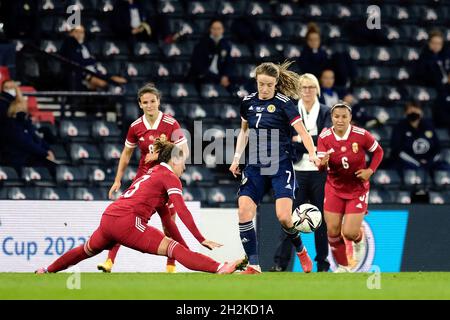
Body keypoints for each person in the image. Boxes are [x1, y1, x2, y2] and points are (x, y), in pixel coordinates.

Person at [36, 139, 246, 275]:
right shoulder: (169, 177)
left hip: (109, 217)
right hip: (127, 221)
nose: (184, 167)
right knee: (173, 249)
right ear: (174, 160)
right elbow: (182, 210)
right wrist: (200, 239)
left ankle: (47, 270)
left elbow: (168, 223)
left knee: (85, 250)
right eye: (183, 162)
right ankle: (220, 268)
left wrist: (189, 253)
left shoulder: (152, 174)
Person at [229, 61, 320, 274]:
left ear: (276, 83)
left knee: (284, 217)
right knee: (243, 210)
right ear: (256, 82)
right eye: (261, 84)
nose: (265, 89)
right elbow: (244, 132)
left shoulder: (284, 103)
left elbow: (304, 132)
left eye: (269, 84)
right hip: (254, 165)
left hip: (280, 165)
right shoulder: (247, 102)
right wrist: (236, 158)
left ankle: (301, 250)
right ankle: (254, 264)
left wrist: (313, 153)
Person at [97, 84, 189, 273]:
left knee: (169, 222)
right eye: (145, 102)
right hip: (144, 180)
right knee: (124, 218)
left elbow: (185, 151)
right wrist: (117, 180)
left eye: (153, 101)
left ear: (159, 101)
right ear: (140, 104)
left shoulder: (172, 124)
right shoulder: (135, 127)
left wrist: (160, 155)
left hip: (166, 179)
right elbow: (126, 154)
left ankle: (171, 266)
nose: (149, 105)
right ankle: (109, 262)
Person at [271, 73, 331, 272]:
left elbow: (325, 138)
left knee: (320, 219)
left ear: (317, 90)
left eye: (311, 87)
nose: (307, 91)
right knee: (289, 218)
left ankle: (322, 264)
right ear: (299, 90)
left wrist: (301, 140)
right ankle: (280, 263)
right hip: (295, 170)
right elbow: (287, 138)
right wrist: (304, 141)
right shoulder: (291, 109)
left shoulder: (324, 111)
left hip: (318, 171)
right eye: (303, 87)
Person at [317, 103, 384, 272]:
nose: (340, 120)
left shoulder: (361, 135)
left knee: (349, 233)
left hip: (357, 189)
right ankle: (343, 267)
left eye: (344, 117)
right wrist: (322, 164)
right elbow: (320, 167)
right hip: (334, 187)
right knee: (332, 231)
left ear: (350, 118)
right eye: (336, 117)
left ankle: (359, 238)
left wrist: (370, 170)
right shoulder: (324, 137)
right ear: (332, 118)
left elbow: (379, 152)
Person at [0, 80, 56, 175]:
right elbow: (24, 141)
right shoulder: (11, 123)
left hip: (27, 154)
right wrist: (44, 153)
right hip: (15, 157)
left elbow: (34, 135)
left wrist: (47, 149)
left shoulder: (24, 122)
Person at [59, 25, 127, 91]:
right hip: (83, 74)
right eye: (76, 32)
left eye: (82, 32)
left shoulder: (86, 45)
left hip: (95, 71)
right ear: (71, 33)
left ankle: (113, 92)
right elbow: (76, 61)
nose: (79, 34)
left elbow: (92, 60)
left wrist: (93, 62)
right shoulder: (69, 44)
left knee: (122, 80)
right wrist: (91, 60)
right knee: (102, 83)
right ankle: (111, 91)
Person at [390, 101, 447, 176]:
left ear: (421, 112)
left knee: (444, 168)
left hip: (429, 162)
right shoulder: (400, 127)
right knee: (410, 170)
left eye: (416, 110)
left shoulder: (428, 126)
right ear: (406, 113)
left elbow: (437, 148)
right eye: (410, 110)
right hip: (408, 162)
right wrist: (417, 162)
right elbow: (397, 150)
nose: (413, 112)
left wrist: (429, 162)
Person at [189, 19, 233, 91]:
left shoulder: (226, 45)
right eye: (214, 28)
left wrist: (225, 76)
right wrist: (219, 78)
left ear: (223, 30)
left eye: (219, 29)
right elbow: (198, 66)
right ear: (210, 29)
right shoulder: (202, 44)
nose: (216, 31)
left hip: (220, 77)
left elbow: (228, 63)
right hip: (204, 77)